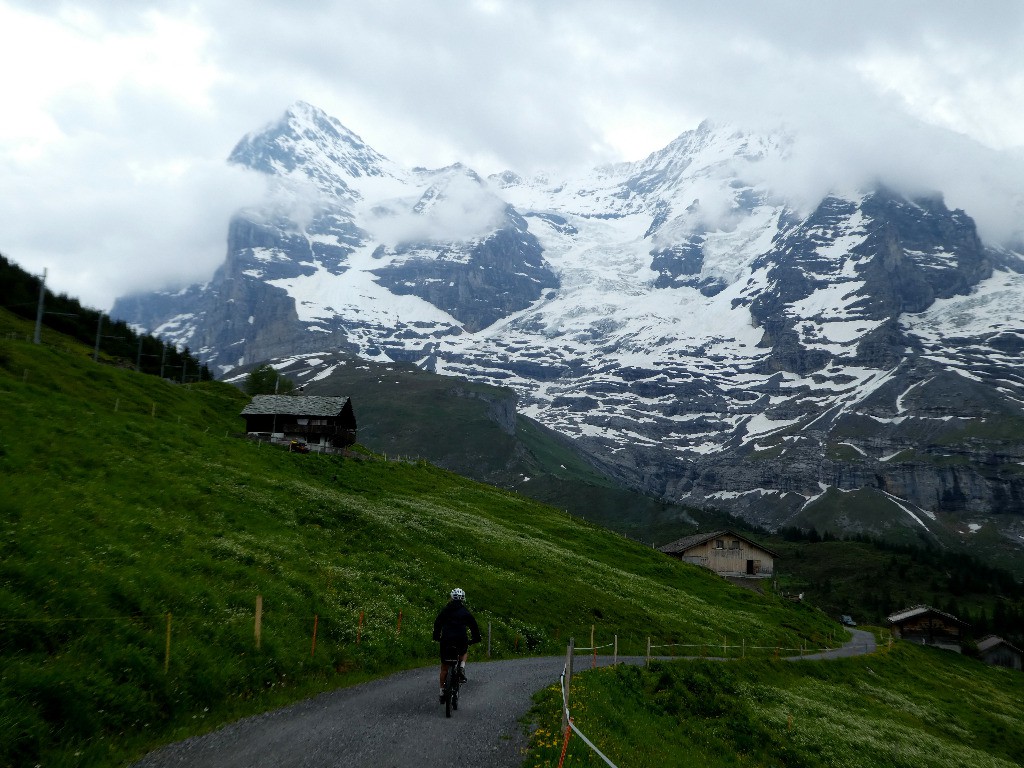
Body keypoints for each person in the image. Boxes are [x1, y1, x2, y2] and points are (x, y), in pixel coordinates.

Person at [433, 587, 481, 703]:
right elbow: (473, 626)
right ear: (463, 598)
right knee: (464, 652)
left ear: (451, 597)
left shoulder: (445, 610)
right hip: (461, 639)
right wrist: (475, 639)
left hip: (446, 640)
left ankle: (441, 692)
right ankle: (461, 667)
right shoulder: (465, 611)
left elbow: (438, 623)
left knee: (444, 668)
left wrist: (436, 636)